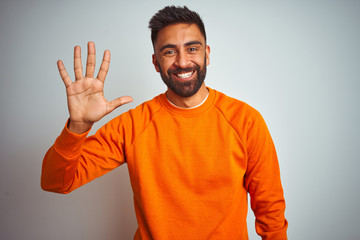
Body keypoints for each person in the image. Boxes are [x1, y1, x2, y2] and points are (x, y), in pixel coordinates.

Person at [41, 6, 288, 240]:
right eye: (169, 51)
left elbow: (271, 213)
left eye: (192, 48)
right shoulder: (134, 125)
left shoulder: (245, 121)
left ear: (207, 54)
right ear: (156, 62)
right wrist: (78, 126)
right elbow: (56, 182)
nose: (182, 62)